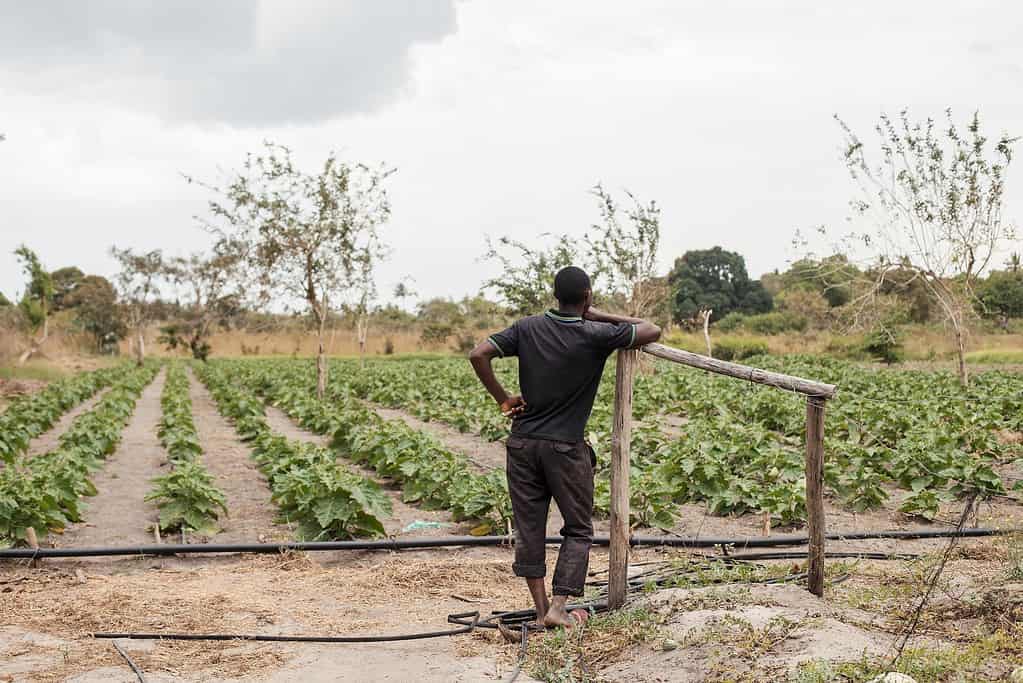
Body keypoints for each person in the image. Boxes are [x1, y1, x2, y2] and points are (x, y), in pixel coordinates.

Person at [468, 266, 661, 628]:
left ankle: (541, 611)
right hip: (565, 449)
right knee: (578, 528)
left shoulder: (526, 328)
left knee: (529, 527)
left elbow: (479, 354)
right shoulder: (596, 334)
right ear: (586, 296)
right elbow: (651, 328)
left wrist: (504, 399)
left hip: (523, 444)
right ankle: (559, 608)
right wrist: (600, 313)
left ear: (555, 295)